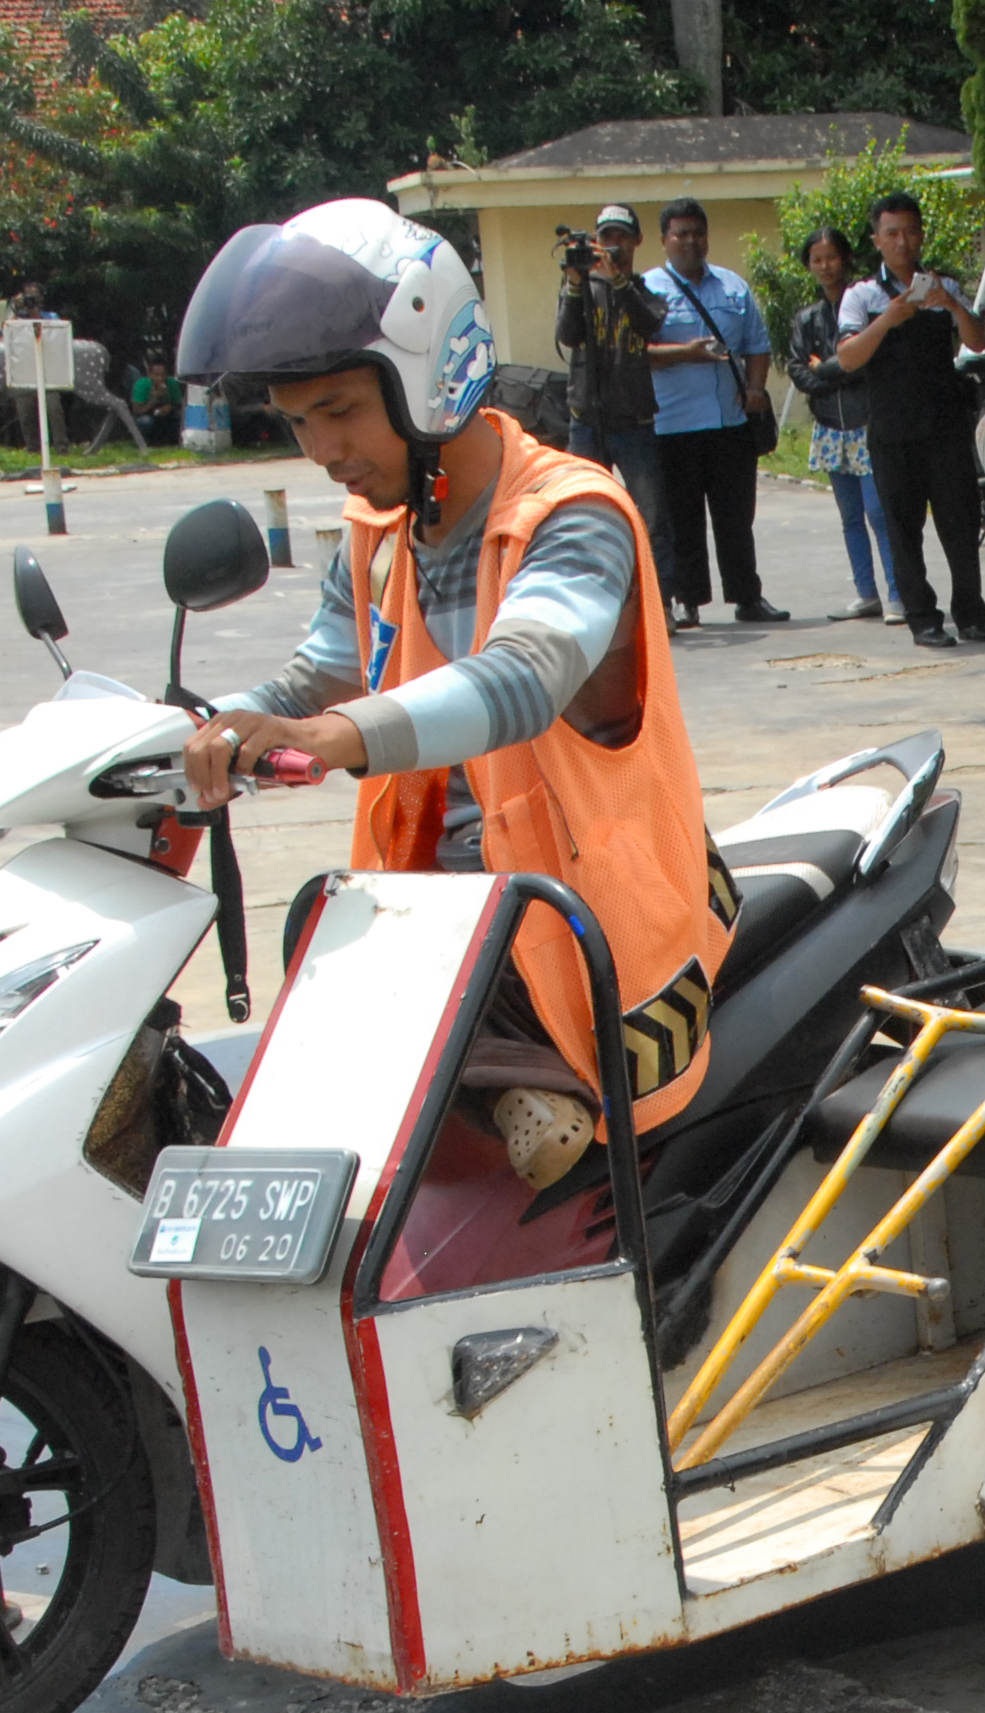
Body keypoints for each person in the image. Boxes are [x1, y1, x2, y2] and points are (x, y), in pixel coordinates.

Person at [174, 199, 739, 1180]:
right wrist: (207, 721)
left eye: (342, 412)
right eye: (300, 421)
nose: (323, 449)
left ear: (428, 375)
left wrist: (336, 734)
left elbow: (523, 677)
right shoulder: (377, 524)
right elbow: (324, 669)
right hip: (447, 902)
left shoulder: (572, 514)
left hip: (576, 913)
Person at [836, 192, 985, 648]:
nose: (902, 241)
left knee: (961, 523)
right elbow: (848, 357)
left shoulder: (943, 284)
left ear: (921, 234)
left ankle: (971, 614)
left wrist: (949, 305)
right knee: (903, 528)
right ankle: (922, 618)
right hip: (892, 430)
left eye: (910, 230)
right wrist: (887, 319)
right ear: (877, 240)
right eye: (892, 233)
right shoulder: (863, 295)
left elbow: (978, 340)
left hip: (945, 425)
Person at [643, 198, 788, 630]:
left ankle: (748, 597)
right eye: (680, 233)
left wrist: (756, 387)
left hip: (729, 423)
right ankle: (688, 601)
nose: (690, 241)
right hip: (672, 425)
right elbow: (636, 354)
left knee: (736, 518)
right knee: (682, 519)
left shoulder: (733, 287)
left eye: (697, 233)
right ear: (664, 240)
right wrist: (685, 353)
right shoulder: (646, 290)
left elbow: (757, 345)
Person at [786, 223, 900, 622]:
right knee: (850, 515)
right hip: (830, 427)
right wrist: (831, 372)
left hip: (868, 422)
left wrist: (828, 368)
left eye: (831, 257)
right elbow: (798, 370)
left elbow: (868, 366)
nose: (825, 266)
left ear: (847, 258)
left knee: (879, 512)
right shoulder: (807, 319)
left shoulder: (866, 305)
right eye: (817, 260)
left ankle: (897, 594)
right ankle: (865, 592)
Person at [555, 202, 672, 566]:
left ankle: (660, 604)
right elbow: (568, 334)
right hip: (587, 419)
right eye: (606, 237)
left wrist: (618, 280)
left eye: (621, 236)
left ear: (637, 240)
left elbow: (648, 323)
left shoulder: (645, 291)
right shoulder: (580, 289)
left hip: (634, 420)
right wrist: (576, 283)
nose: (614, 243)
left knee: (652, 518)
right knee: (583, 515)